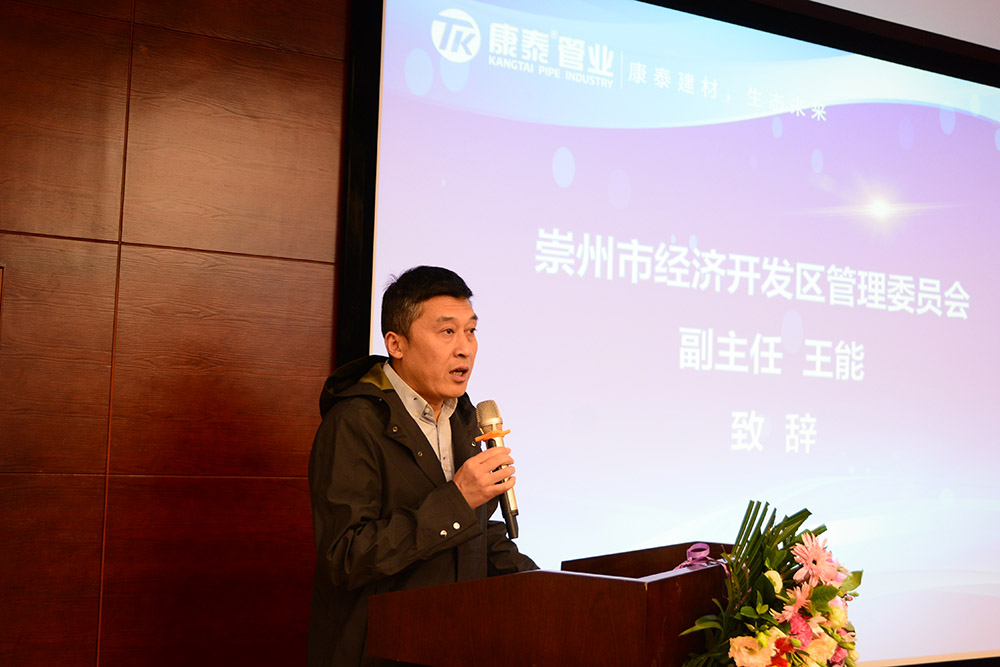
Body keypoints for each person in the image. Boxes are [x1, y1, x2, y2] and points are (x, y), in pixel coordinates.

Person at [307, 266, 537, 666]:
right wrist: (457, 500)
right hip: (379, 651)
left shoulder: (463, 417)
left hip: (454, 643)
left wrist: (548, 588)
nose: (465, 348)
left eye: (471, 331)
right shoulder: (354, 422)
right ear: (396, 344)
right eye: (447, 331)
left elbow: (479, 535)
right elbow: (346, 557)